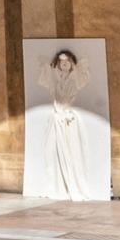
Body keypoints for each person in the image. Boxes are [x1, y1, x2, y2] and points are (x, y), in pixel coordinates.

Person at [40, 47, 93, 201]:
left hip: (68, 120)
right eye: (61, 62)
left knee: (72, 150)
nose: (64, 64)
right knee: (53, 152)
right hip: (57, 119)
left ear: (71, 63)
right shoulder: (55, 80)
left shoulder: (75, 80)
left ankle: (72, 182)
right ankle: (57, 183)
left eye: (67, 62)